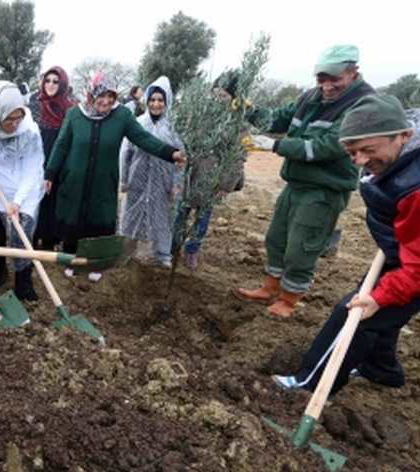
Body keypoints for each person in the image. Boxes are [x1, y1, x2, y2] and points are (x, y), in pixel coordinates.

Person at [272, 94, 420, 396]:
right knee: (384, 311)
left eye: (368, 150)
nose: (361, 161)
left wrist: (381, 295)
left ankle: (308, 386)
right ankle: (382, 369)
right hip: (407, 248)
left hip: (415, 261)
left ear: (404, 136)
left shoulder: (415, 188)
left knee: (357, 312)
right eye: (353, 153)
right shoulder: (400, 162)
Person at [234, 44, 375, 318]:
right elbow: (275, 119)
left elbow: (327, 146)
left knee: (302, 246)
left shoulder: (362, 105)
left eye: (334, 79)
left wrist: (276, 146)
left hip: (324, 189)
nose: (327, 86)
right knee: (277, 238)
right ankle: (270, 287)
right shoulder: (311, 97)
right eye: (322, 79)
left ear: (353, 71)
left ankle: (288, 300)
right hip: (296, 183)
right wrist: (246, 107)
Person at [45, 72, 185, 282]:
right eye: (102, 95)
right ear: (92, 94)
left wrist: (170, 153)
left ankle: (96, 264)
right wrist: (50, 173)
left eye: (111, 96)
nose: (107, 101)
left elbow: (143, 138)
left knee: (99, 220)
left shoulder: (121, 117)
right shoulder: (75, 114)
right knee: (73, 218)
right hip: (74, 180)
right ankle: (72, 260)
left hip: (104, 181)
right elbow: (62, 144)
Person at [0, 81, 44, 301]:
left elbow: (32, 169)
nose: (14, 124)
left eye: (17, 118)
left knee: (22, 238)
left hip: (24, 188)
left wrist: (18, 201)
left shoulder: (29, 130)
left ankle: (23, 283)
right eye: (8, 119)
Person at [175, 70, 247, 271]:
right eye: (215, 94)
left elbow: (238, 156)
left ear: (232, 98)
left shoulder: (236, 122)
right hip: (190, 175)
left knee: (202, 218)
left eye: (223, 95)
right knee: (180, 213)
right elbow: (184, 140)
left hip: (212, 180)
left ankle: (191, 250)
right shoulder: (200, 115)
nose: (218, 99)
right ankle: (173, 245)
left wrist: (226, 184)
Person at [119, 76, 183, 267]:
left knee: (162, 216)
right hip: (136, 178)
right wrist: (124, 179)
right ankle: (126, 251)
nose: (156, 104)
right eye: (152, 100)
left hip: (163, 181)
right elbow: (126, 153)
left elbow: (182, 158)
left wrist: (176, 183)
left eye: (160, 100)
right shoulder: (137, 123)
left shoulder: (174, 128)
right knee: (131, 214)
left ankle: (163, 254)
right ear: (147, 101)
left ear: (167, 102)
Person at [28, 66, 75, 249]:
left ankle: (49, 241)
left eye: (56, 81)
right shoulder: (34, 105)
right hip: (35, 160)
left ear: (62, 83)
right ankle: (31, 239)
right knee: (34, 200)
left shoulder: (69, 109)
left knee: (53, 200)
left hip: (58, 161)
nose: (51, 84)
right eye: (47, 80)